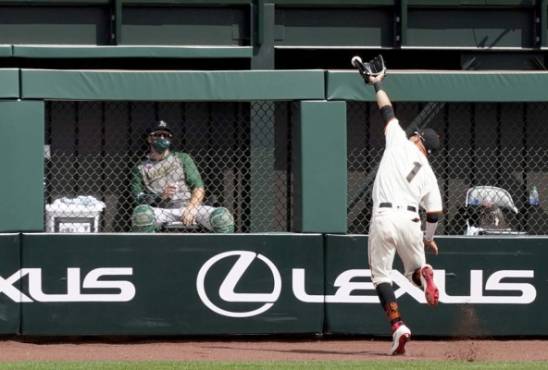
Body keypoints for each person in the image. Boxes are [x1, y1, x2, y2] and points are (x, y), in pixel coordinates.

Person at [366, 71, 443, 355]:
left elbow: (386, 109)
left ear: (417, 139)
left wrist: (376, 82)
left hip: (384, 216)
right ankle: (423, 274)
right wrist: (428, 237)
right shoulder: (429, 173)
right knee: (412, 270)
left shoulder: (399, 140)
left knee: (381, 277)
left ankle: (398, 326)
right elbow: (434, 212)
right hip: (412, 220)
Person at [130, 120, 234, 233]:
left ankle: (220, 250)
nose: (162, 138)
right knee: (142, 216)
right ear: (149, 139)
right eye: (157, 135)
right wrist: (160, 196)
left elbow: (198, 187)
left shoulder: (182, 158)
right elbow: (138, 198)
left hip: (188, 206)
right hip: (162, 210)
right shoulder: (140, 167)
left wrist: (191, 208)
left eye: (166, 135)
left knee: (222, 218)